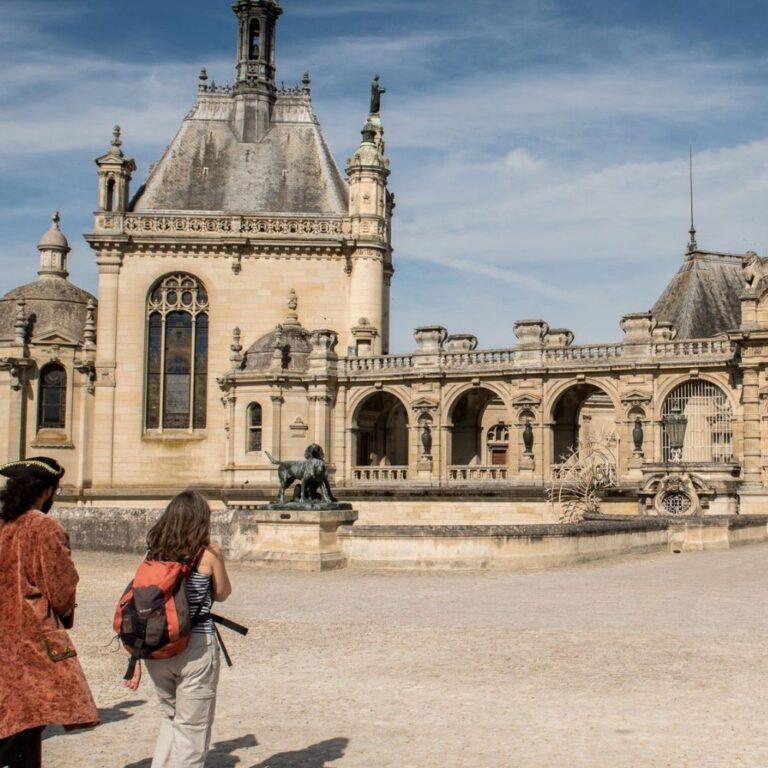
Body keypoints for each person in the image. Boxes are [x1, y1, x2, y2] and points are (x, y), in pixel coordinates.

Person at [0, 457, 99, 768]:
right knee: (28, 722)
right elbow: (61, 586)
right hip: (30, 640)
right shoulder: (44, 527)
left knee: (15, 720)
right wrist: (60, 615)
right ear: (46, 492)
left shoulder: (3, 525)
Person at [123, 490, 232, 768]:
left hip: (158, 646)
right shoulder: (207, 555)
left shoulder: (154, 553)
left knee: (170, 718)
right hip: (195, 646)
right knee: (192, 729)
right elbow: (222, 593)